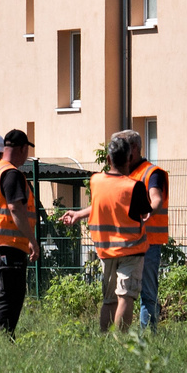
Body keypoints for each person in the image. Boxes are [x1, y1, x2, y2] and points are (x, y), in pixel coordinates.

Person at [59, 129, 152, 332]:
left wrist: (77, 214)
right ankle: (121, 342)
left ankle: (104, 340)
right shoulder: (134, 186)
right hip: (131, 251)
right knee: (126, 296)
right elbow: (145, 213)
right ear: (129, 157)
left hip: (105, 251)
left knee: (109, 300)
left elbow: (104, 204)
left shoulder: (95, 181)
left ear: (108, 158)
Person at [0, 128, 40, 336]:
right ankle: (2, 339)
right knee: (9, 294)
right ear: (23, 148)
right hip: (9, 243)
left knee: (2, 293)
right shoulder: (12, 174)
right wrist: (31, 239)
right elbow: (16, 208)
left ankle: (1, 337)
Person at [124, 132, 170, 327]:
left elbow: (156, 197)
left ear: (134, 148)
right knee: (124, 293)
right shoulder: (125, 174)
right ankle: (126, 337)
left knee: (147, 294)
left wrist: (151, 208)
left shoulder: (152, 173)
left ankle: (147, 338)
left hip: (148, 243)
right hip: (127, 243)